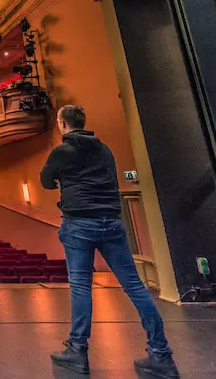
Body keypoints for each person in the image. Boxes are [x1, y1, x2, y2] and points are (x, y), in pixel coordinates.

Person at [40, 105, 179, 378]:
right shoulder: (105, 151)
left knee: (81, 287)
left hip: (79, 222)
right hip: (111, 221)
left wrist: (62, 180)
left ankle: (77, 351)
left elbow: (45, 180)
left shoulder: (62, 151)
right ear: (83, 122)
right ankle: (161, 354)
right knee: (135, 286)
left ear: (62, 123)